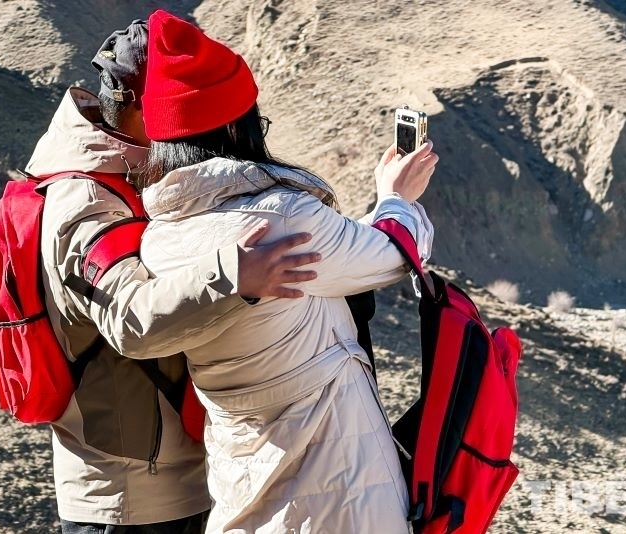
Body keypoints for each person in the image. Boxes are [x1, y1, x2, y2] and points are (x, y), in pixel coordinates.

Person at [137, 10, 438, 533]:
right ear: (236, 126)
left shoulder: (158, 240)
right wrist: (396, 198)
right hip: (338, 488)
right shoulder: (282, 217)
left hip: (240, 478)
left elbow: (329, 257)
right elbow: (392, 254)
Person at [24, 20, 322, 534]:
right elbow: (131, 319)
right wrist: (234, 276)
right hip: (130, 501)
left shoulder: (129, 172)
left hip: (178, 482)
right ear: (147, 111)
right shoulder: (87, 199)